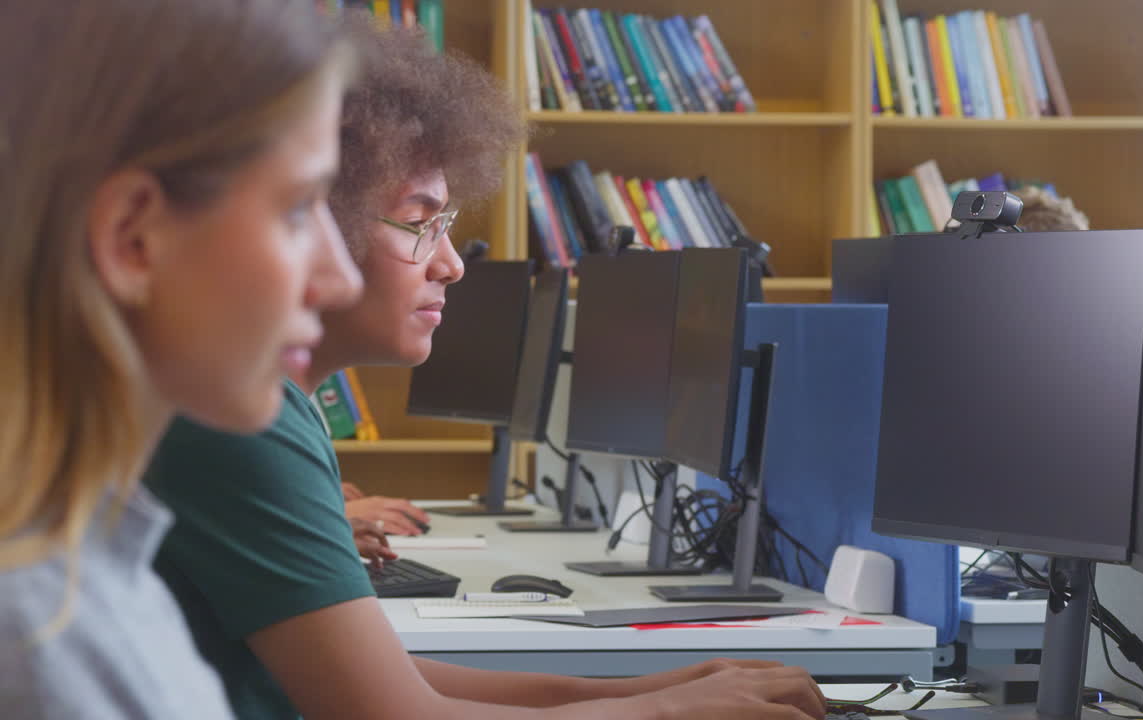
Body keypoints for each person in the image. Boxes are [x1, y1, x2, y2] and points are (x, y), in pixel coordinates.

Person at [143, 17, 827, 720]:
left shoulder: (266, 404)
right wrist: (672, 711)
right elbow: (397, 714)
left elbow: (386, 680)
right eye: (421, 222)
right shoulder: (242, 414)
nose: (452, 263)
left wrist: (646, 688)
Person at [0, 1, 363, 717]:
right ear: (134, 238)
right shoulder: (47, 642)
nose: (342, 277)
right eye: (298, 209)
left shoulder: (93, 566)